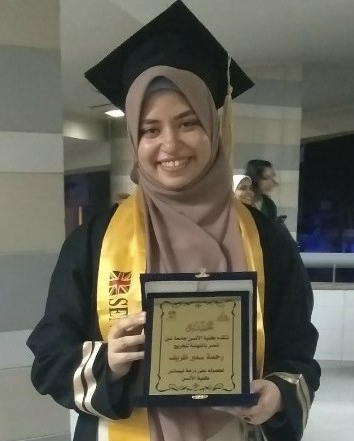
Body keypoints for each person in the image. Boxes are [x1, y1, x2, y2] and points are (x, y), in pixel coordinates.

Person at [27, 2, 320, 441]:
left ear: (213, 129)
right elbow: (50, 359)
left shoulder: (267, 240)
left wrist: (277, 395)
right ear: (134, 138)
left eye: (188, 123)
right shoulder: (95, 241)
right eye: (150, 129)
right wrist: (109, 361)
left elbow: (297, 353)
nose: (170, 144)